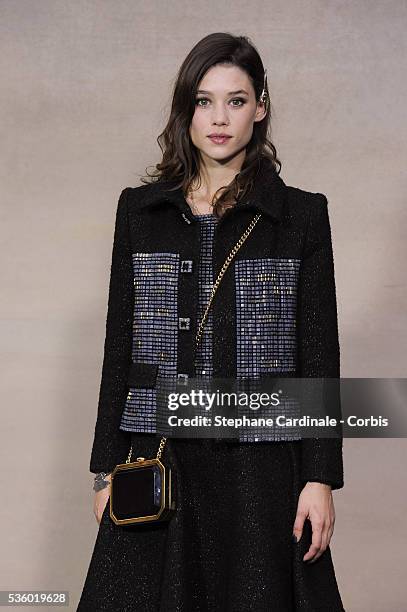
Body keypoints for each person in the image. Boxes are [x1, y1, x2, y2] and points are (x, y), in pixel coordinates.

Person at [77, 32, 345, 612]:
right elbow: (119, 346)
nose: (219, 118)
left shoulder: (300, 216)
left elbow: (318, 353)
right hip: (159, 456)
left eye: (236, 100)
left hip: (260, 467)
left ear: (261, 108)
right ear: (185, 111)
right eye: (204, 101)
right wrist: (105, 468)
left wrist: (319, 478)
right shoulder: (140, 211)